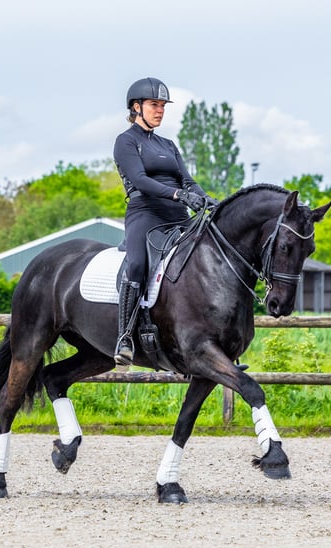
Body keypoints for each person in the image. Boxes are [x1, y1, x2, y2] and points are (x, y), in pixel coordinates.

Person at [112, 77, 215, 365]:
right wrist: (178, 194)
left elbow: (188, 180)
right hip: (145, 214)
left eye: (162, 106)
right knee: (137, 265)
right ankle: (125, 337)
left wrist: (207, 201)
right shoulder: (126, 141)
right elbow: (141, 181)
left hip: (178, 217)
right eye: (154, 105)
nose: (160, 110)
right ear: (137, 107)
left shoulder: (168, 144)